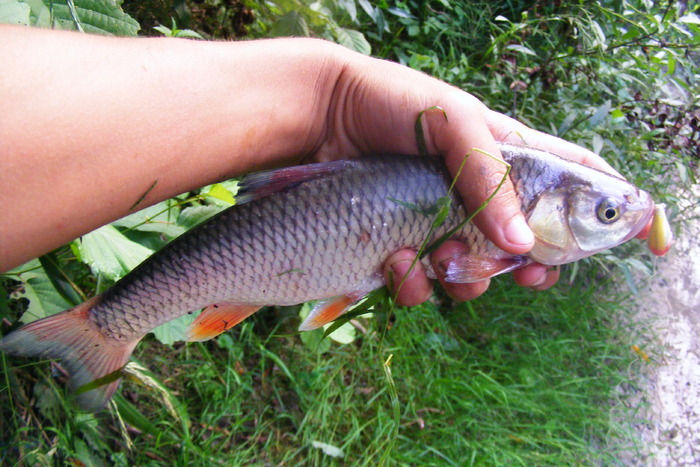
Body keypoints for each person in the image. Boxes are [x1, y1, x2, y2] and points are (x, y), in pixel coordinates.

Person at [0, 25, 614, 305]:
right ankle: (109, 327)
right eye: (606, 212)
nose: (610, 223)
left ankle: (115, 324)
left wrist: (332, 101)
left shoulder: (499, 196)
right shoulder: (502, 214)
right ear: (540, 207)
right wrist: (329, 99)